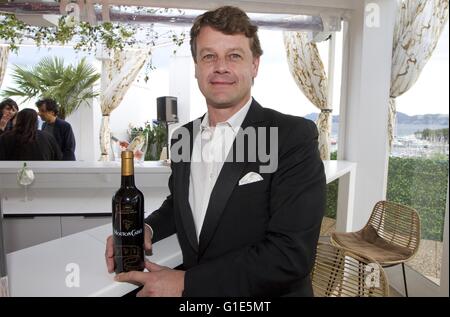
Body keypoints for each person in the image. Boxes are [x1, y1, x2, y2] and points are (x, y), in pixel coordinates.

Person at [105, 6, 326, 297]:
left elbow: (290, 255)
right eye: (209, 56)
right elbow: (180, 203)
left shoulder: (291, 136)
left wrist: (187, 283)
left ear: (255, 65)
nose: (221, 66)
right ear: (196, 66)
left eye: (234, 56)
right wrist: (147, 228)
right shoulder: (183, 136)